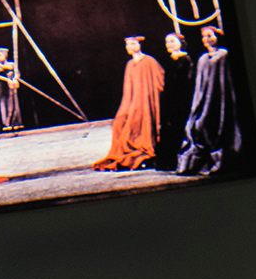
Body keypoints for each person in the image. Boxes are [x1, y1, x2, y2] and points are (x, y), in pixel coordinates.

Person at [177, 26, 242, 177]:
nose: (206, 39)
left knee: (217, 128)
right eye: (204, 36)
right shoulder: (202, 58)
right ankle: (194, 164)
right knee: (197, 127)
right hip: (202, 100)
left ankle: (220, 162)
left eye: (209, 35)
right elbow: (199, 83)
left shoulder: (224, 54)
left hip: (219, 100)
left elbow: (226, 80)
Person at [94, 37, 166, 171]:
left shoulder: (149, 61)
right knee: (119, 122)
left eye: (133, 44)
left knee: (136, 123)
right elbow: (127, 90)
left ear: (140, 45)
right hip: (132, 103)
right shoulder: (130, 64)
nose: (129, 47)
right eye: (127, 45)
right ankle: (123, 151)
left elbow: (159, 82)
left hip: (146, 102)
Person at [155, 32, 196, 172]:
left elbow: (188, 83)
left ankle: (177, 160)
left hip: (182, 100)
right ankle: (166, 161)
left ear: (181, 42)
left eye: (172, 41)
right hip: (169, 100)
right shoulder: (169, 60)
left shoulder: (186, 60)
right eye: (167, 42)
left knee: (178, 128)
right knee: (167, 129)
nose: (169, 44)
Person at [0, 47, 23, 132]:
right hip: (2, 85)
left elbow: (17, 73)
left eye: (0, 55)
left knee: (14, 102)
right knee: (3, 102)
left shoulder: (12, 64)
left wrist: (15, 79)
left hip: (11, 85)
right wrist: (7, 79)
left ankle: (16, 122)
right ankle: (6, 122)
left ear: (5, 55)